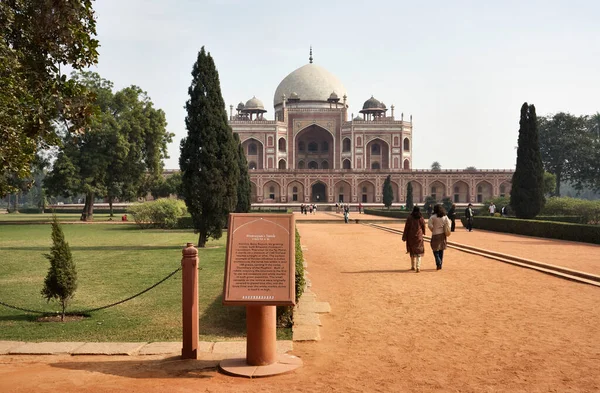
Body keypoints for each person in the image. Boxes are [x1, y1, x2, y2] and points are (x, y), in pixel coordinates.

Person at [402, 206, 426, 272]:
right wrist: (423, 232)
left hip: (411, 236)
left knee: (412, 250)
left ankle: (413, 266)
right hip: (419, 236)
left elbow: (406, 227)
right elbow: (423, 225)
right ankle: (418, 266)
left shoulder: (410, 217)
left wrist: (404, 236)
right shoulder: (421, 217)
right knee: (419, 250)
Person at [427, 204, 450, 270]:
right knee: (441, 249)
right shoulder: (445, 216)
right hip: (442, 234)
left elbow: (429, 225)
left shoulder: (433, 217)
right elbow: (449, 224)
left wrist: (433, 230)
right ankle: (440, 264)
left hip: (435, 234)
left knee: (435, 249)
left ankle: (438, 261)